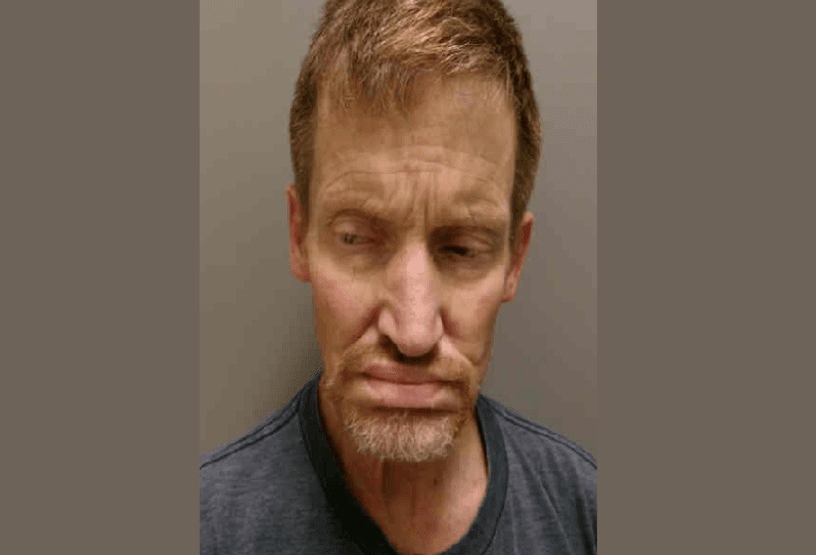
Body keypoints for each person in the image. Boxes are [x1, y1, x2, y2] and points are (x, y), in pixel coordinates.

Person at [200, 1, 596, 553]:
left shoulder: (587, 517)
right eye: (358, 239)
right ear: (299, 235)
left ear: (514, 260)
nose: (412, 333)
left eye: (462, 249)